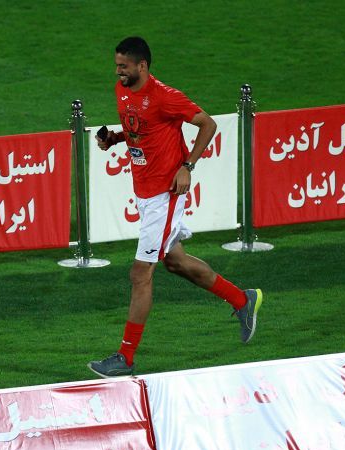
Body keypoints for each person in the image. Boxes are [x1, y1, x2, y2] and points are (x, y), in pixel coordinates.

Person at [88, 36, 262, 378]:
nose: (118, 72)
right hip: (144, 192)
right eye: (116, 66)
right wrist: (114, 139)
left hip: (165, 194)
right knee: (176, 262)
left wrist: (188, 166)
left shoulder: (165, 97)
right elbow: (139, 129)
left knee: (140, 274)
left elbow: (208, 124)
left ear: (142, 66)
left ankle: (125, 357)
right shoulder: (122, 90)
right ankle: (243, 300)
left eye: (124, 66)